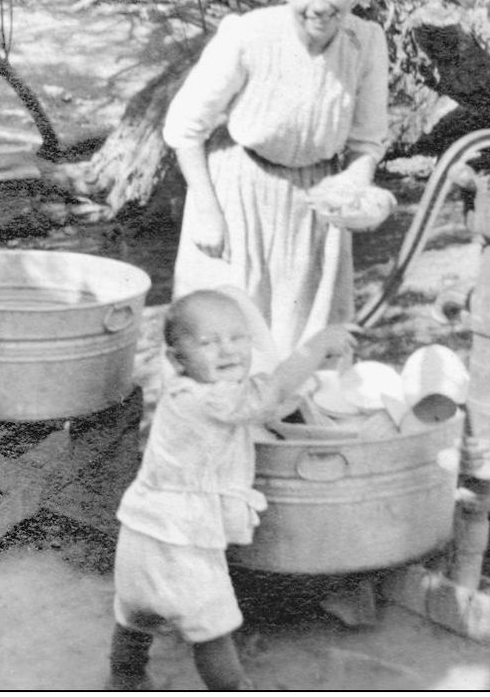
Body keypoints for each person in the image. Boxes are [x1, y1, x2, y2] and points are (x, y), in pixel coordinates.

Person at [107, 288, 356, 690]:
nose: (227, 350)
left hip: (142, 526)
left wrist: (297, 383)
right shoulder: (208, 398)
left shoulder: (187, 392)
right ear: (177, 358)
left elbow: (263, 400)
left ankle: (124, 675)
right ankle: (233, 686)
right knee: (212, 624)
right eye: (208, 342)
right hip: (181, 537)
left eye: (238, 338)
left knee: (137, 611)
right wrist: (315, 348)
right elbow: (264, 397)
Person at [162, 0, 389, 357]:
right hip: (237, 195)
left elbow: (367, 142)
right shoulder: (249, 35)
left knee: (306, 352)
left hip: (315, 203)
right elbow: (185, 127)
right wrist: (208, 208)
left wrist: (352, 184)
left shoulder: (367, 42)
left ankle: (302, 424)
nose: (318, 4)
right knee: (224, 346)